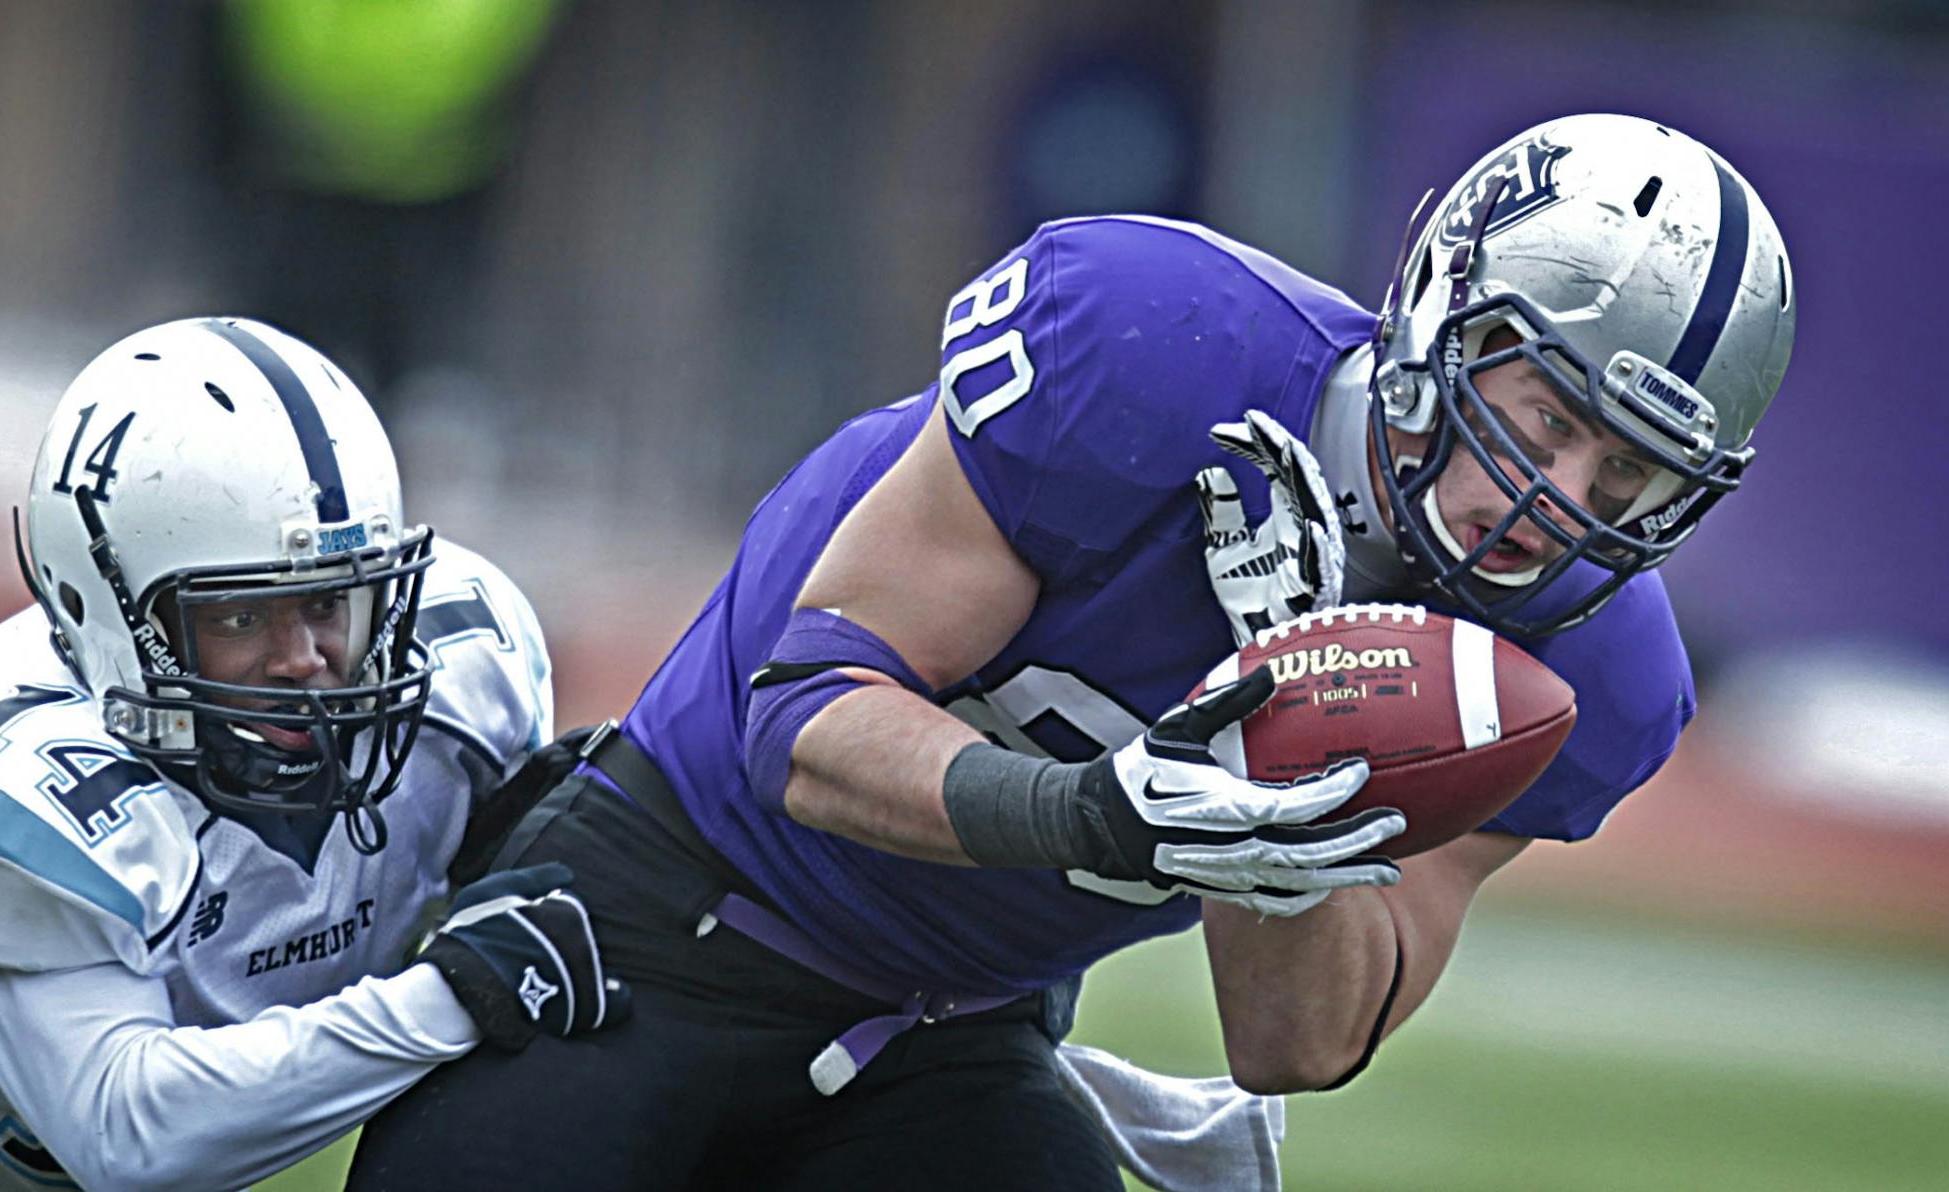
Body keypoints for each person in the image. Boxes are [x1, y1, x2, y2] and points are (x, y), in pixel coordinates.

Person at [350, 113, 1795, 1190]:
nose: (1557, 501)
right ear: (1442, 318)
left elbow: (1295, 1044)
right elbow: (805, 720)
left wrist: (1294, 710)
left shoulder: (1592, 669)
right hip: (670, 909)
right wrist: (1099, 812)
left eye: (1628, 475)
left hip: (954, 1029)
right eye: (1547, 416)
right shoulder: (1152, 347)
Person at [0, 317, 625, 1191]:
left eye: (328, 604)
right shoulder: (16, 782)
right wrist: (454, 992)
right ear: (108, 612)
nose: (304, 660)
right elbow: (132, 1139)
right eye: (241, 615)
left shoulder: (461, 680)